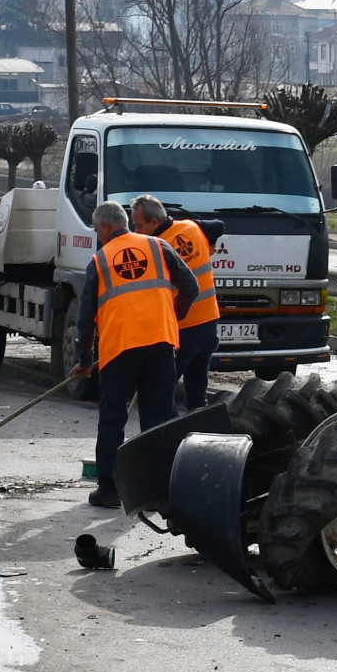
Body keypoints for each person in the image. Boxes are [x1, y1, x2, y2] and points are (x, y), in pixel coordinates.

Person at [71, 201, 198, 508]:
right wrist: (170, 316)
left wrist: (85, 361)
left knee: (112, 419)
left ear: (105, 227)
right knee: (157, 418)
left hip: (120, 349)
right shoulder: (159, 247)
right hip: (161, 344)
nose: (97, 235)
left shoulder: (99, 261)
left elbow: (85, 318)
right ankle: (156, 491)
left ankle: (109, 490)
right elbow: (190, 288)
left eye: (96, 229)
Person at [130, 194, 221, 412]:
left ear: (154, 222)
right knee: (197, 394)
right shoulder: (192, 227)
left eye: (139, 225)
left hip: (183, 329)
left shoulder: (158, 248)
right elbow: (219, 225)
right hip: (209, 324)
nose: (135, 231)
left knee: (160, 391)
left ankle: (170, 436)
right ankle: (199, 438)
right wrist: (212, 244)